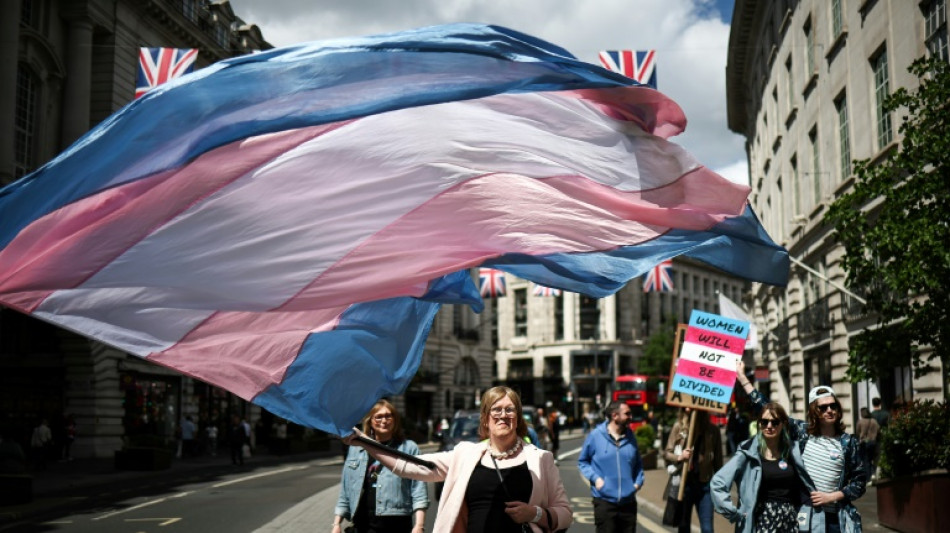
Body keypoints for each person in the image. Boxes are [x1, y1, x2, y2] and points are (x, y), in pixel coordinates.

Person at [342, 386, 572, 532]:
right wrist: (363, 441)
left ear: (518, 417)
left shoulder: (540, 459)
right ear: (485, 418)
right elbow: (406, 467)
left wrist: (535, 514)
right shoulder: (465, 454)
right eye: (496, 409)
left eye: (510, 410)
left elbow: (565, 514)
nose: (504, 415)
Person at [736, 365, 867, 533]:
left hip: (836, 519)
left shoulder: (848, 443)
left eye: (833, 406)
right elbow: (766, 408)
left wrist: (832, 496)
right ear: (814, 411)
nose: (829, 410)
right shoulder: (802, 433)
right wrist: (742, 377)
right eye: (823, 407)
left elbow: (860, 482)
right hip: (806, 516)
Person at [333, 400, 428, 533]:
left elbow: (418, 489)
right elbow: (345, 489)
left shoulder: (408, 448)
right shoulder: (356, 449)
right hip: (363, 523)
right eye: (379, 417)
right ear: (370, 421)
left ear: (395, 420)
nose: (384, 420)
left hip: (396, 524)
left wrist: (419, 525)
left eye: (389, 416)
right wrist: (337, 523)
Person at [711, 402, 803, 532]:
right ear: (759, 424)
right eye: (764, 422)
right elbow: (718, 483)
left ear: (783, 424)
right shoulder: (747, 452)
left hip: (790, 520)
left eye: (775, 422)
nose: (769, 426)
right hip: (761, 521)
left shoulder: (794, 450)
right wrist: (732, 512)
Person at [578, 400, 644, 532]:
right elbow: (583, 461)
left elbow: (638, 465)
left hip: (628, 503)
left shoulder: (631, 437)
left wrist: (637, 484)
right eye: (627, 414)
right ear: (615, 416)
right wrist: (596, 479)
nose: (630, 417)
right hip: (604, 502)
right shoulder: (596, 436)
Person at [664, 408, 723, 533]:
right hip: (684, 486)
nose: (689, 408)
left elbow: (718, 461)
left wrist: (720, 486)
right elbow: (667, 453)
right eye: (686, 406)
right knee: (684, 526)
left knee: (707, 528)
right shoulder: (679, 428)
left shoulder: (713, 430)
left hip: (705, 486)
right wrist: (680, 457)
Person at [856, 407, 879, 481]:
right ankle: (873, 474)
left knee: (866, 460)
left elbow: (857, 432)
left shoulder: (860, 421)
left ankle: (868, 478)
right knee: (873, 459)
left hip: (864, 442)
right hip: (873, 442)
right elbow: (878, 429)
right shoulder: (874, 421)